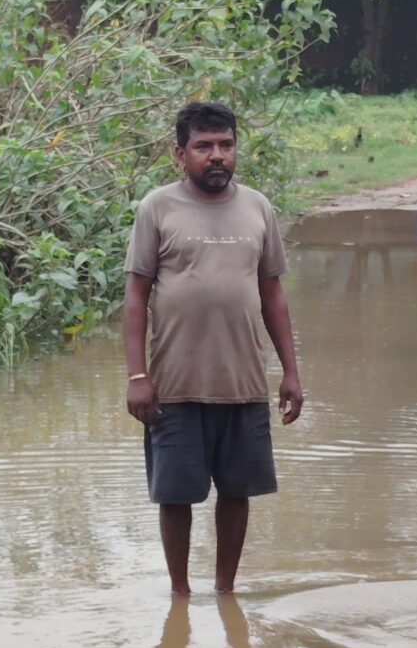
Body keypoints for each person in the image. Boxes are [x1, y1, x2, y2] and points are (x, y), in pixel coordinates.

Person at [123, 102, 303, 596]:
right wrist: (138, 376)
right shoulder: (156, 208)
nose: (217, 155)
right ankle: (179, 594)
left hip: (243, 382)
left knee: (238, 491)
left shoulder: (258, 207)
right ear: (180, 154)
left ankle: (226, 591)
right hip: (174, 385)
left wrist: (290, 372)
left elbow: (272, 294)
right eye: (203, 147)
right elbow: (136, 297)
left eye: (225, 145)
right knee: (175, 496)